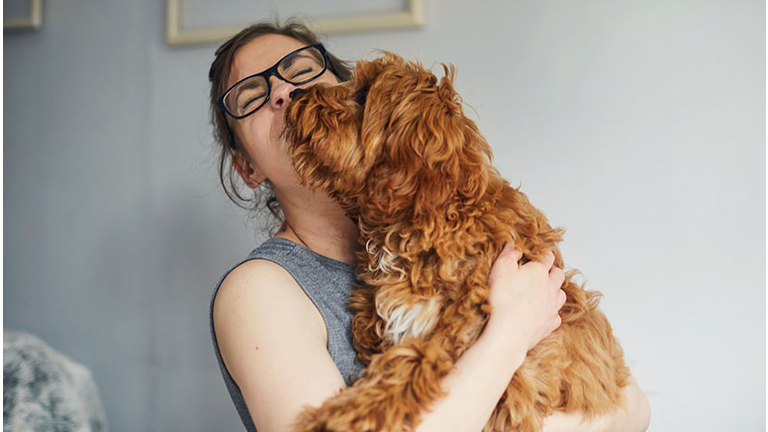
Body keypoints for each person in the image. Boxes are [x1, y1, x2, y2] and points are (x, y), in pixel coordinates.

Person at [208, 20, 651, 432]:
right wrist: (512, 330)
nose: (283, 92)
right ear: (247, 168)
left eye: (299, 69)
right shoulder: (259, 291)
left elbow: (633, 408)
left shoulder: (456, 235)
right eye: (249, 97)